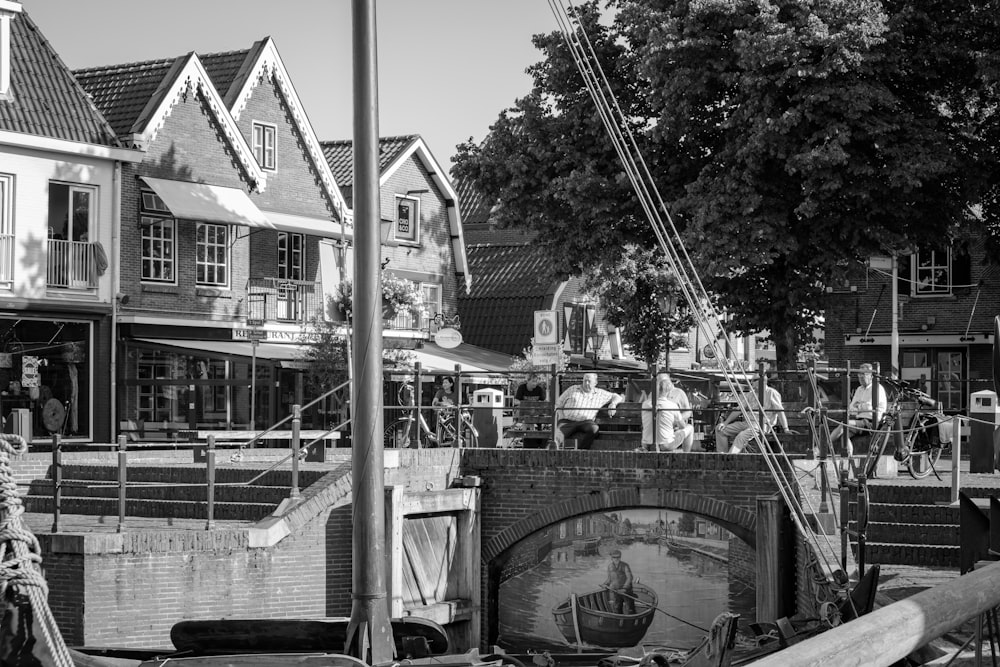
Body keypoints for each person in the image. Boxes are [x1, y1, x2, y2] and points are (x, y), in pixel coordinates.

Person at [716, 375, 793, 454]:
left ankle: (730, 458)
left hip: (762, 424)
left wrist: (786, 429)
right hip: (747, 423)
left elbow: (780, 411)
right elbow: (739, 409)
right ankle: (722, 456)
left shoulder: (772, 393)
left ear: (761, 381)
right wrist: (725, 423)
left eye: (753, 380)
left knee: (741, 436)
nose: (751, 382)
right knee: (720, 430)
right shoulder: (750, 394)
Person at [828, 363, 888, 461]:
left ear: (871, 376)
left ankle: (821, 448)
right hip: (859, 420)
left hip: (872, 421)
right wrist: (860, 406)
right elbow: (852, 407)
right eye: (859, 375)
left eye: (863, 375)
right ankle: (850, 457)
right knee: (844, 435)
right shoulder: (859, 389)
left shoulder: (877, 388)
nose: (860, 377)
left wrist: (859, 406)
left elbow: (870, 406)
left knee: (844, 424)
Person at [554, 372, 624, 450]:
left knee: (594, 429)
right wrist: (561, 416)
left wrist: (613, 404)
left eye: (589, 381)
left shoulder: (600, 393)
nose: (586, 383)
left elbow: (618, 397)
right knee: (556, 436)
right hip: (567, 421)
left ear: (595, 383)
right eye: (585, 381)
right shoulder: (572, 389)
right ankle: (549, 453)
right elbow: (558, 404)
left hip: (586, 422)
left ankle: (581, 451)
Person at [641, 372, 694, 452]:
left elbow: (688, 412)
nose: (661, 385)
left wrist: (675, 419)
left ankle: (686, 454)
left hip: (675, 427)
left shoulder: (679, 393)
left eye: (662, 382)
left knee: (686, 428)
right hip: (662, 433)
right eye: (659, 382)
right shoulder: (653, 395)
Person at [602, 549, 634, 614]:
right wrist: (605, 584)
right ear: (611, 558)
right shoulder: (610, 566)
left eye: (618, 557)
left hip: (626, 591)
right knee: (617, 608)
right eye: (614, 557)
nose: (616, 559)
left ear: (620, 557)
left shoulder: (625, 565)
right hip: (616, 591)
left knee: (629, 608)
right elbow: (609, 579)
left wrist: (624, 588)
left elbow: (629, 577)